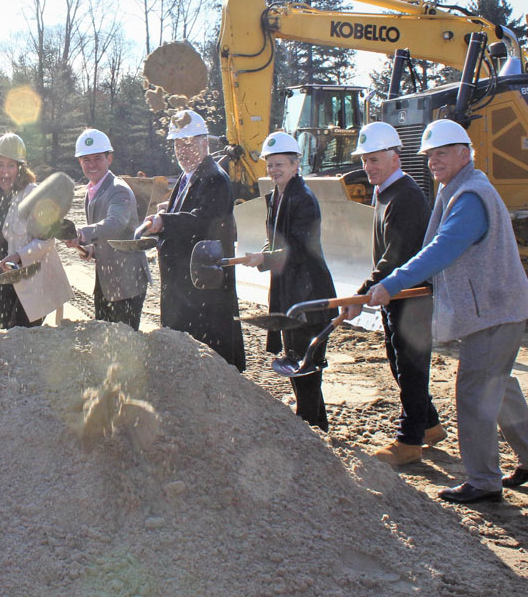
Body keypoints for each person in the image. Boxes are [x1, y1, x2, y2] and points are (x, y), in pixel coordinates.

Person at [367, 119, 528, 504]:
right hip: (499, 308)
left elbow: (441, 250)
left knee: (472, 392)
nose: (434, 161)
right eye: (430, 155)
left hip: (494, 311)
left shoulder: (469, 196)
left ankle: (484, 480)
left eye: (443, 153)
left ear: (465, 153)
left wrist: (390, 284)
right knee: (498, 385)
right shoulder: (458, 189)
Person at [343, 122, 445, 465]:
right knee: (398, 362)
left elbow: (396, 257)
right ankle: (428, 424)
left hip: (412, 296)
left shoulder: (405, 196)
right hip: (395, 294)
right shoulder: (384, 191)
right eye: (365, 160)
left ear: (394, 159)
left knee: (412, 367)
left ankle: (409, 440)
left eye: (375, 159)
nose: (368, 166)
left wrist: (362, 294)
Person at [241, 132, 335, 431]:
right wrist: (262, 255)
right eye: (270, 165)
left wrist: (265, 258)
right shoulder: (278, 197)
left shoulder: (303, 199)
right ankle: (316, 424)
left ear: (296, 165)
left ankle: (310, 425)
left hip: (309, 296)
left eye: (280, 164)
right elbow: (279, 242)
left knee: (306, 364)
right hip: (289, 293)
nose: (274, 170)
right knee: (296, 362)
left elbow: (297, 246)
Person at [143, 109, 245, 370]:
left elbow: (202, 220)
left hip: (202, 293)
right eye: (178, 144)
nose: (183, 150)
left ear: (205, 144)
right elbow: (191, 209)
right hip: (187, 287)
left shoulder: (214, 178)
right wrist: (171, 209)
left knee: (208, 363)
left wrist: (165, 221)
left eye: (189, 144)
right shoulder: (189, 176)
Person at [0, 133, 73, 328]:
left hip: (33, 284)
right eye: (0, 164)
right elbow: (1, 236)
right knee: (8, 337)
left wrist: (18, 256)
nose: (4, 171)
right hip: (7, 281)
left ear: (20, 168)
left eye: (11, 165)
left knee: (23, 342)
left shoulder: (33, 194)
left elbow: (46, 241)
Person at [64, 128, 149, 329]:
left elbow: (115, 223)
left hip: (127, 283)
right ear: (80, 162)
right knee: (104, 339)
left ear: (109, 159)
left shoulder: (118, 189)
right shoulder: (93, 189)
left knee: (124, 345)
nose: (92, 165)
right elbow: (106, 235)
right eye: (87, 160)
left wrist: (82, 234)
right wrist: (91, 249)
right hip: (106, 281)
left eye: (97, 158)